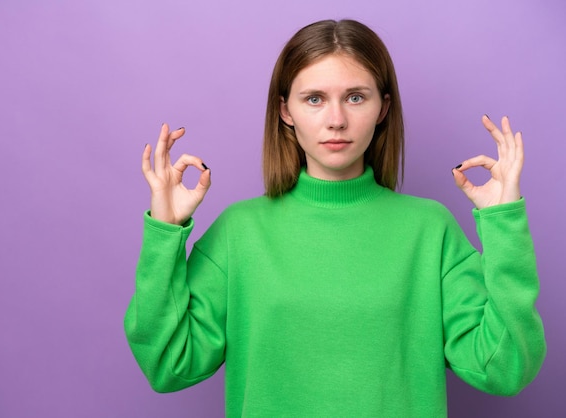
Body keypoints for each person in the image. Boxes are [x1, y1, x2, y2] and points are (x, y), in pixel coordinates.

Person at [124, 19, 546, 417]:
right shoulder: (239, 233)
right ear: (285, 110)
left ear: (383, 108)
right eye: (314, 99)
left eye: (356, 97)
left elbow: (504, 368)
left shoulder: (429, 230)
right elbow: (168, 364)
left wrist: (503, 224)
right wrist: (165, 232)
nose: (337, 120)